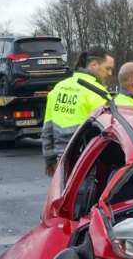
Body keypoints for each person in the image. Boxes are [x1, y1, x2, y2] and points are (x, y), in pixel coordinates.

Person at [42, 47, 115, 176]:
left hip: (61, 162)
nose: (109, 74)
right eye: (107, 68)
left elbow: (47, 130)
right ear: (94, 65)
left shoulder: (58, 87)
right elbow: (110, 134)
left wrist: (49, 161)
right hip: (86, 163)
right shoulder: (98, 94)